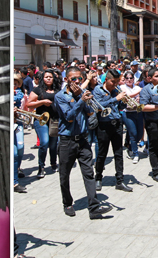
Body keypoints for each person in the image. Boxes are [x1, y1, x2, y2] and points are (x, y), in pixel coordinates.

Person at [55, 66, 109, 219]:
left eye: (80, 78)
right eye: (73, 79)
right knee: (64, 175)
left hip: (83, 139)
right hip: (67, 141)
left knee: (88, 173)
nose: (77, 81)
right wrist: (81, 100)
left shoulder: (81, 94)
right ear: (66, 80)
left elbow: (91, 112)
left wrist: (84, 99)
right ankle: (67, 203)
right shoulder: (60, 96)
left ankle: (94, 207)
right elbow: (69, 116)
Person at [92, 68, 132, 193]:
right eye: (113, 82)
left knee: (118, 153)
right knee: (102, 153)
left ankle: (120, 180)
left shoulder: (116, 91)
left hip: (117, 123)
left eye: (117, 82)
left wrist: (125, 101)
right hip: (104, 125)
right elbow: (100, 105)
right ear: (107, 80)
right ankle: (98, 177)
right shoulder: (98, 90)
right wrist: (116, 99)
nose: (115, 85)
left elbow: (119, 106)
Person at [28, 68, 60, 177]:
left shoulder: (58, 89)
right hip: (41, 120)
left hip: (55, 120)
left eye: (51, 77)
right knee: (44, 142)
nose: (49, 79)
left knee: (53, 144)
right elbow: (29, 104)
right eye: (46, 77)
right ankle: (41, 167)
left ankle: (53, 163)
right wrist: (42, 102)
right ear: (43, 78)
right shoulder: (38, 90)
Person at [120, 69, 145, 162]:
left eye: (131, 78)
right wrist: (139, 93)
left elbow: (141, 97)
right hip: (128, 112)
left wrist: (139, 98)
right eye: (127, 78)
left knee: (140, 134)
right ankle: (135, 153)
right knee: (133, 133)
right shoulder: (122, 87)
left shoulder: (137, 88)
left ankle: (130, 147)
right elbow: (127, 95)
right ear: (124, 79)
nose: (129, 80)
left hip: (138, 112)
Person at [14, 71, 27, 192]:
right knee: (13, 153)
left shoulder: (18, 92)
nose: (13, 84)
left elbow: (18, 97)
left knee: (20, 147)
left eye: (15, 82)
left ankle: (17, 168)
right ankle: (14, 181)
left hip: (17, 122)